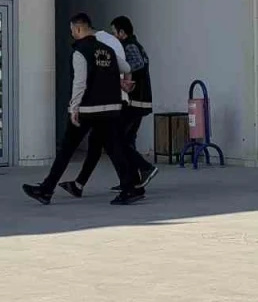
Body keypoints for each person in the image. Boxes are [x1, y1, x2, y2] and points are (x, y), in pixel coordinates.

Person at [23, 13, 141, 205]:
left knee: (67, 149)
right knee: (114, 148)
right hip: (111, 108)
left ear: (78, 29)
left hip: (88, 109)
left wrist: (73, 108)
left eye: (72, 30)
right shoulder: (108, 50)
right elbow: (126, 67)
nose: (72, 34)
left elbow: (80, 83)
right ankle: (130, 188)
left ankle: (46, 190)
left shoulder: (80, 52)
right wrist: (125, 84)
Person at [110, 16, 159, 191]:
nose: (113, 36)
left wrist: (118, 73)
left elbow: (136, 65)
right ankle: (133, 180)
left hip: (135, 101)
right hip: (140, 101)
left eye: (114, 32)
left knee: (118, 139)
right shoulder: (136, 44)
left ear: (122, 32)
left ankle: (145, 168)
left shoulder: (129, 45)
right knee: (128, 139)